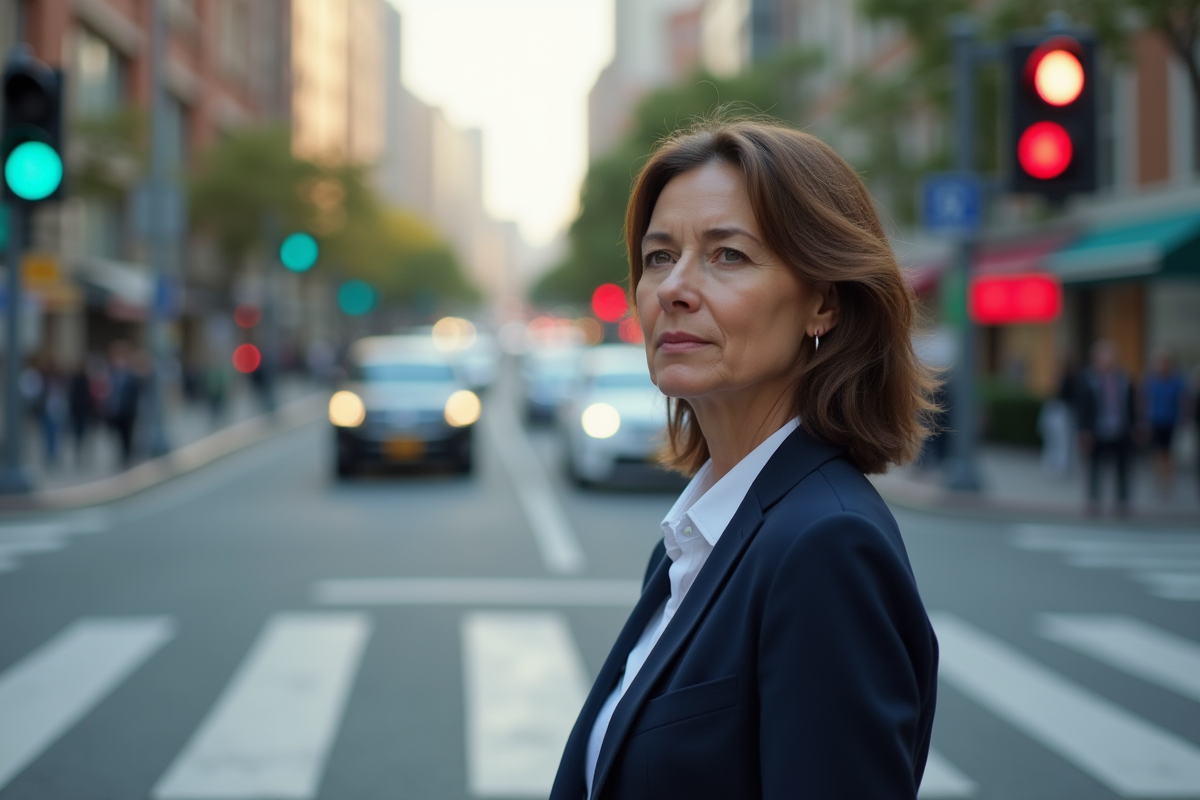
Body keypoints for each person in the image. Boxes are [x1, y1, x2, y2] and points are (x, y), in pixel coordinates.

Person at [550, 120, 940, 800]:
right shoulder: (697, 537)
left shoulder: (826, 546)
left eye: (727, 256)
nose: (675, 287)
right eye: (658, 256)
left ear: (823, 303)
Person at [1076, 340, 1137, 515]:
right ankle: (1094, 501)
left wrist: (1135, 424)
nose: (1108, 360)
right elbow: (1082, 407)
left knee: (1122, 467)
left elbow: (1131, 404)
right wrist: (1083, 430)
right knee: (1095, 467)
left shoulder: (1124, 378)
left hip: (1120, 428)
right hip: (1097, 429)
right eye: (1104, 356)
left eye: (1111, 356)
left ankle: (1122, 502)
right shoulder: (1088, 380)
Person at [1141, 348, 1188, 497]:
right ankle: (1159, 480)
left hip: (1171, 420)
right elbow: (1144, 400)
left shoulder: (1176, 380)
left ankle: (1168, 481)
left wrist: (1184, 417)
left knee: (1169, 453)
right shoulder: (1151, 380)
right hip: (1155, 420)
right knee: (1157, 452)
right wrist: (1143, 420)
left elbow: (1183, 400)